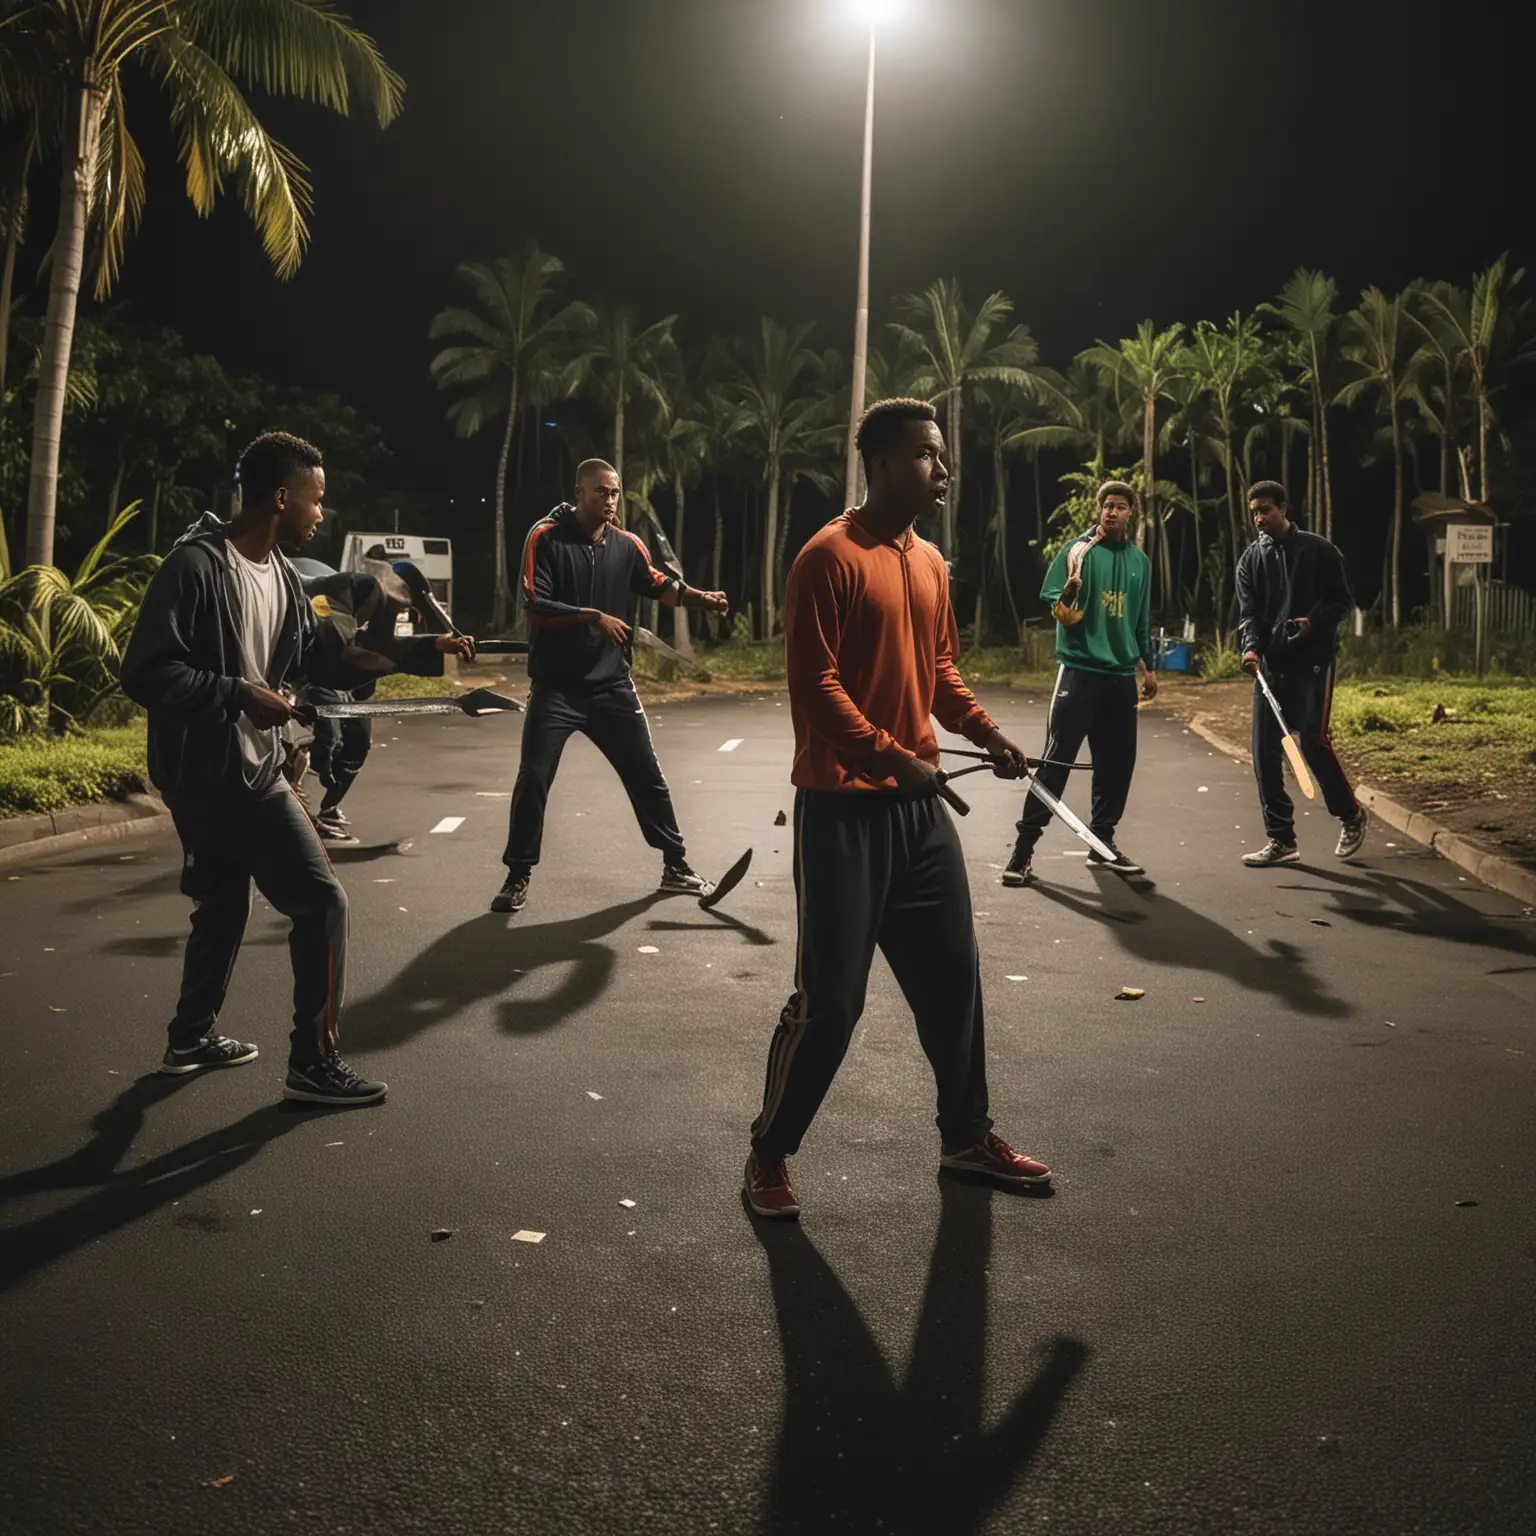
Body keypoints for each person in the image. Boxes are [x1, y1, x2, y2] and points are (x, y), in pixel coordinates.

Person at [743, 398, 1052, 1221]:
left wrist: (987, 735)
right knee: (831, 1003)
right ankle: (769, 1150)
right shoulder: (827, 557)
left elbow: (940, 669)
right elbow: (815, 688)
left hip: (920, 812)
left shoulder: (929, 562)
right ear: (879, 465)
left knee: (954, 983)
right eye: (925, 455)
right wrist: (892, 758)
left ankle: (966, 1136)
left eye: (942, 456)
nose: (941, 470)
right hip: (842, 812)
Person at [120, 432, 385, 1106]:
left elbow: (305, 657)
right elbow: (147, 672)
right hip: (211, 775)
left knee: (223, 902)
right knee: (323, 902)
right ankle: (313, 1066)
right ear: (280, 496)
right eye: (316, 500)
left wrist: (398, 653)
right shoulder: (196, 567)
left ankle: (190, 1037)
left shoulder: (284, 575)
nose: (322, 513)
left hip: (253, 763)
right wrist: (238, 695)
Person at [492, 459, 730, 913]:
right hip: (556, 689)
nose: (610, 500)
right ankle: (517, 874)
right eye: (601, 492)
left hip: (611, 686)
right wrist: (591, 616)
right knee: (533, 779)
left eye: (615, 492)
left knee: (648, 776)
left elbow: (656, 583)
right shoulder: (546, 537)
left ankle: (675, 866)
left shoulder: (627, 545)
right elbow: (535, 605)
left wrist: (701, 599)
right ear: (579, 493)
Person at [1003, 480, 1156, 886]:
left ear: (1131, 513)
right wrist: (1069, 594)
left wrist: (1149, 667)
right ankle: (1022, 852)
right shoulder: (1078, 551)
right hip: (1080, 673)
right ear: (1099, 510)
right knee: (1055, 763)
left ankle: (1102, 843)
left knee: (1117, 765)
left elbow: (1140, 621)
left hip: (1121, 677)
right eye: (1107, 505)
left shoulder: (1141, 562)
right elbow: (1059, 609)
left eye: (1120, 506)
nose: (1112, 512)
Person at [290, 557, 475, 844]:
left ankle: (324, 806)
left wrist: (436, 643)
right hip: (310, 669)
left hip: (339, 669)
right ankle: (301, 812)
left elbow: (374, 649)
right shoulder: (336, 599)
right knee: (326, 734)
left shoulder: (375, 608)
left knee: (357, 741)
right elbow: (342, 658)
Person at [1236, 481, 1367, 866]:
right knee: (1264, 753)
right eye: (1254, 512)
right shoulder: (1250, 560)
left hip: (1314, 662)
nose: (1259, 518)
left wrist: (1312, 623)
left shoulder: (1319, 550)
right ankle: (1281, 840)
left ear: (1283, 508)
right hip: (1272, 668)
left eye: (1266, 510)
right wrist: (1251, 648)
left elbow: (1341, 600)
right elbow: (1249, 615)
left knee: (1311, 740)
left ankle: (1351, 815)